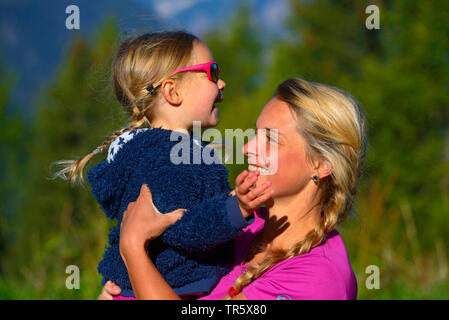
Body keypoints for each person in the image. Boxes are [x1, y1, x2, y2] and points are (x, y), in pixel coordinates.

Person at [99, 77, 367, 300]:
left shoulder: (318, 277)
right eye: (255, 133)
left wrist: (133, 249)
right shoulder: (241, 223)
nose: (248, 148)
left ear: (321, 164)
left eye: (271, 139)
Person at [52, 31, 273, 299]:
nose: (222, 83)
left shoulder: (162, 150)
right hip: (169, 288)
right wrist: (236, 208)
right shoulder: (169, 158)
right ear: (172, 91)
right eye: (212, 73)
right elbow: (180, 228)